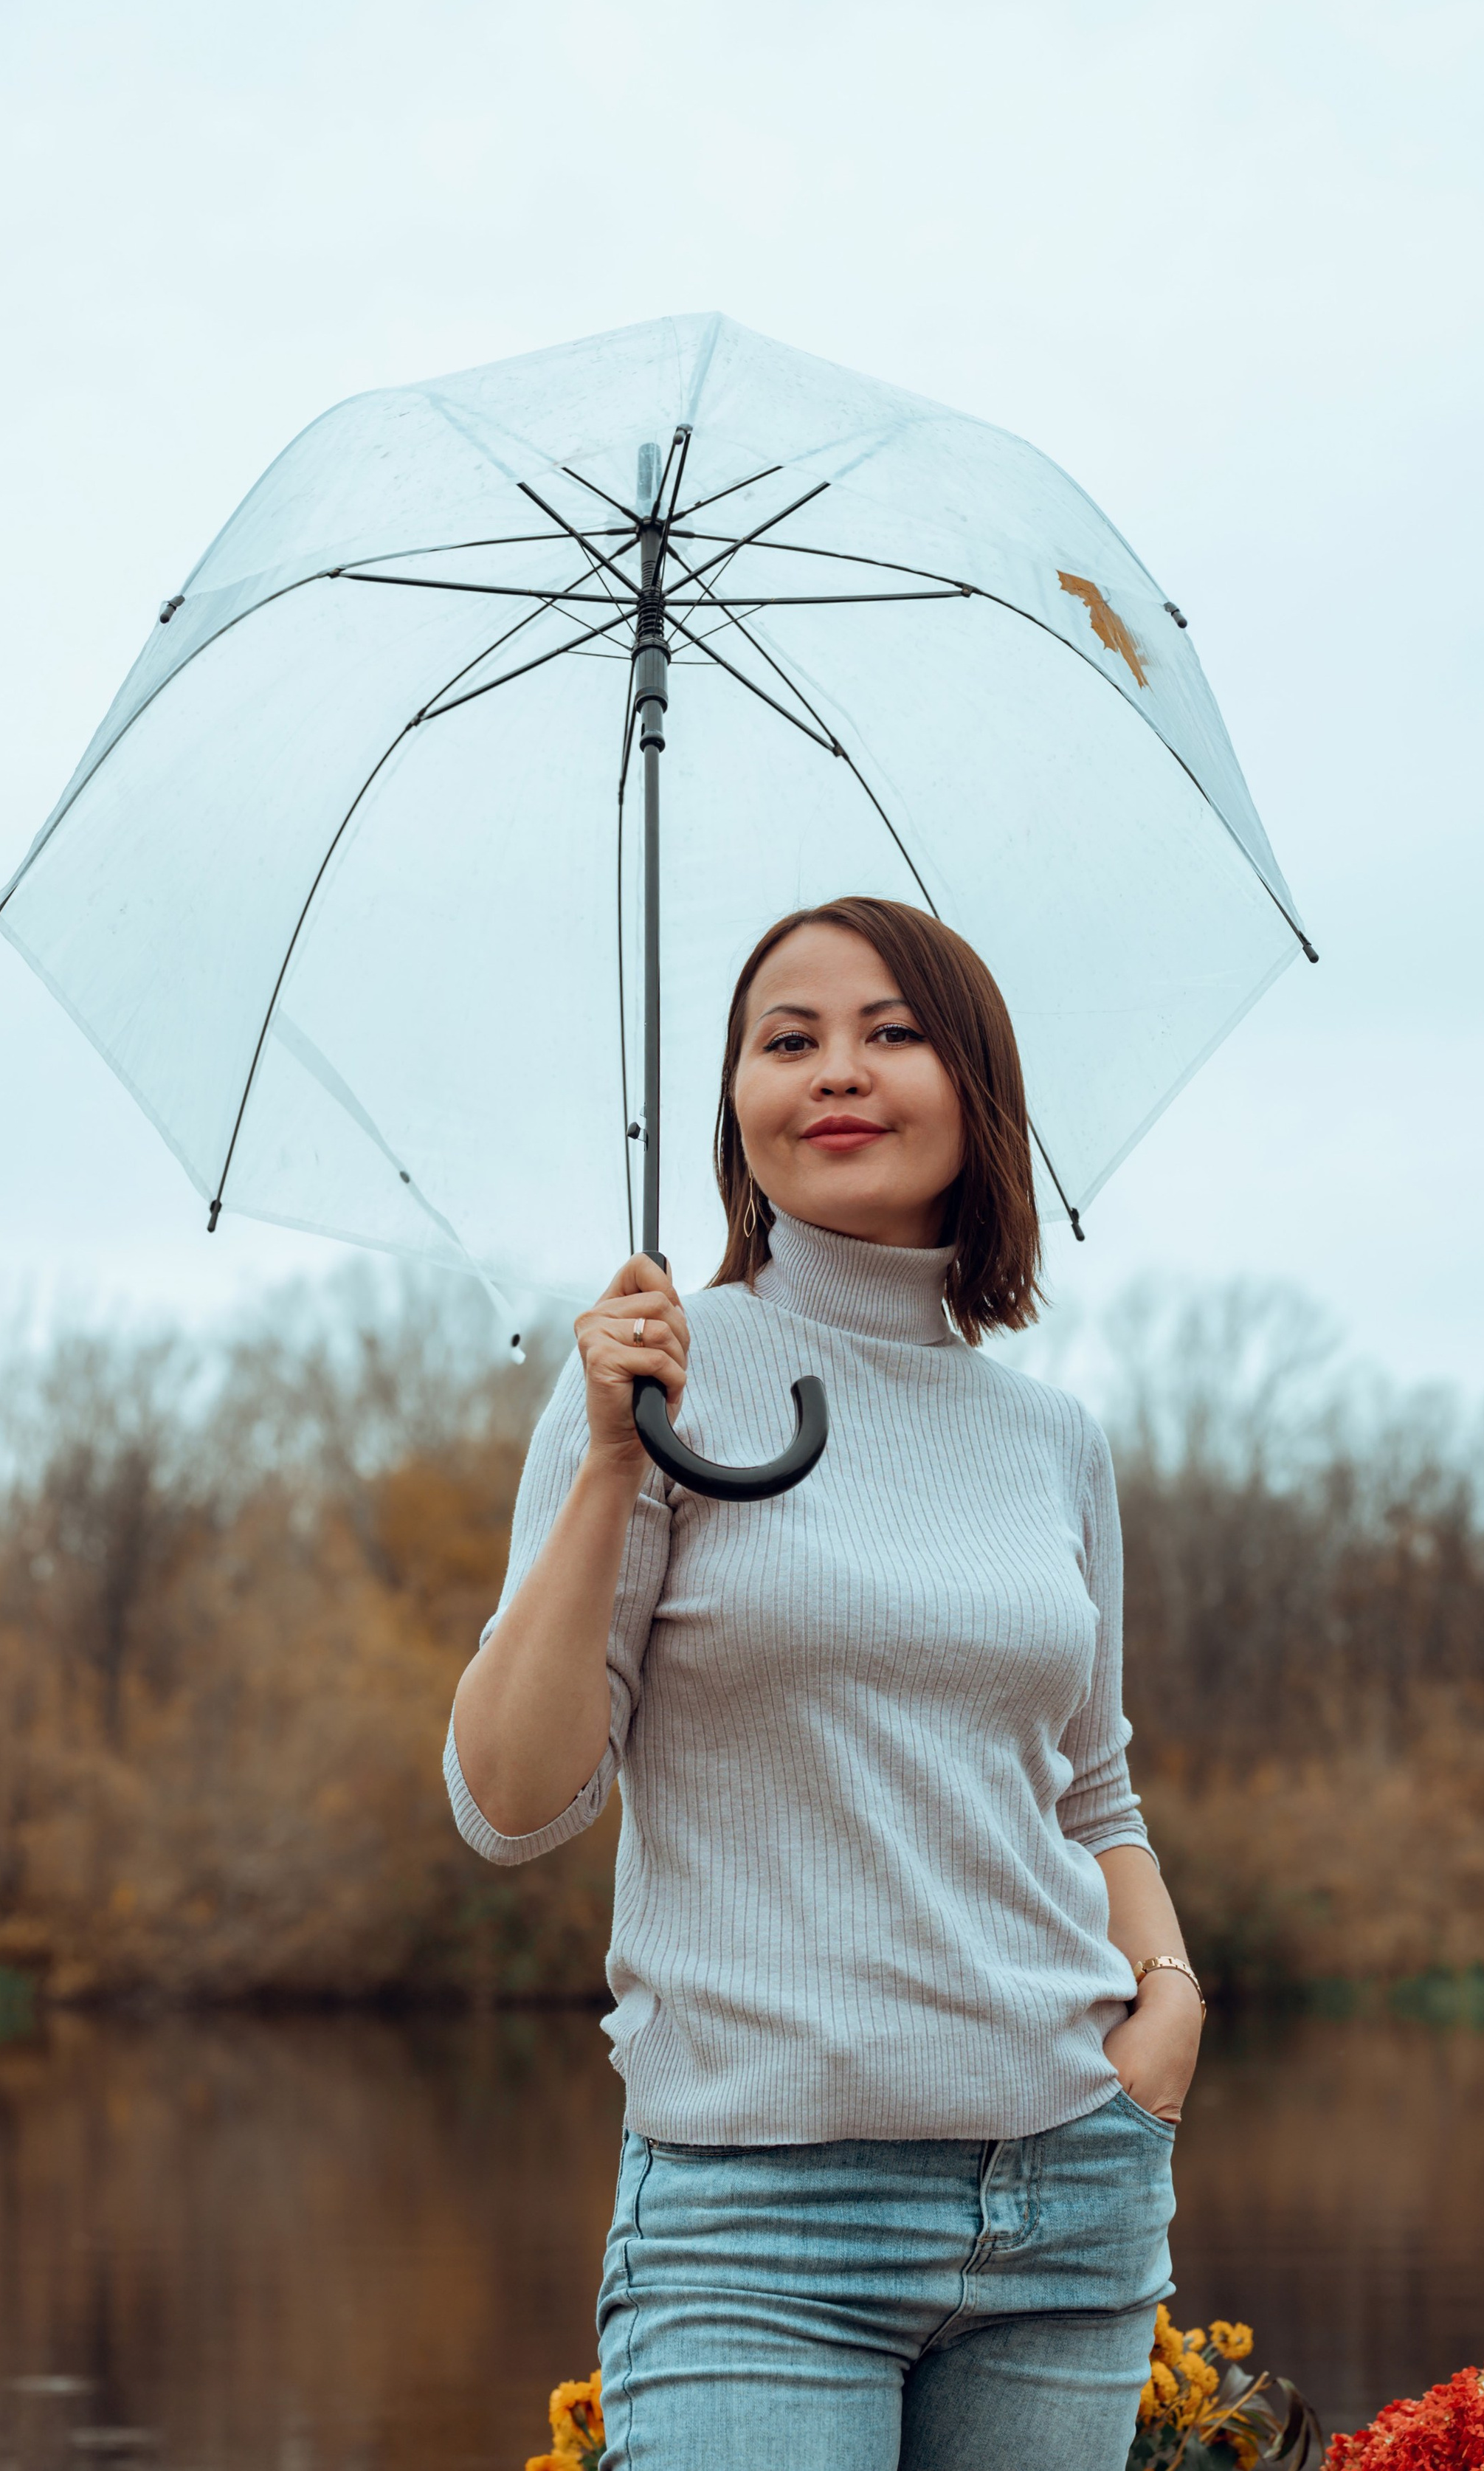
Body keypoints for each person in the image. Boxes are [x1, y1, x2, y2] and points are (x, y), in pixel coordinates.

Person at [446, 896, 1203, 2471]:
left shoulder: (1049, 1439)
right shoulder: (660, 1388)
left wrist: (1168, 2012)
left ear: (971, 1087)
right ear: (734, 1106)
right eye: (785, 1040)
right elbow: (510, 1803)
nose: (834, 1072)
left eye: (889, 1032)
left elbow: (1090, 1783)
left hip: (1065, 2197)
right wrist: (603, 1462)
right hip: (753, 2223)